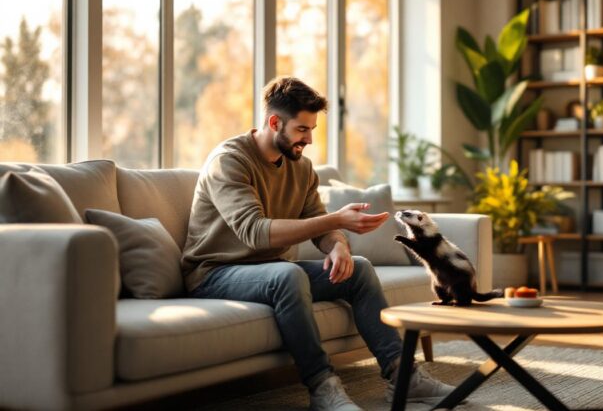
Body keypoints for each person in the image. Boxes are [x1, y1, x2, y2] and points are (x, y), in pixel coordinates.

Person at [181, 76, 453, 410]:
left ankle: (404, 377)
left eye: (312, 130)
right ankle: (324, 387)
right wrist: (337, 220)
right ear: (274, 122)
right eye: (301, 129)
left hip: (269, 270)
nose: (308, 139)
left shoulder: (302, 169)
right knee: (288, 276)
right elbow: (254, 231)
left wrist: (337, 244)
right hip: (215, 273)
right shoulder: (230, 161)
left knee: (361, 270)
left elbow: (319, 224)